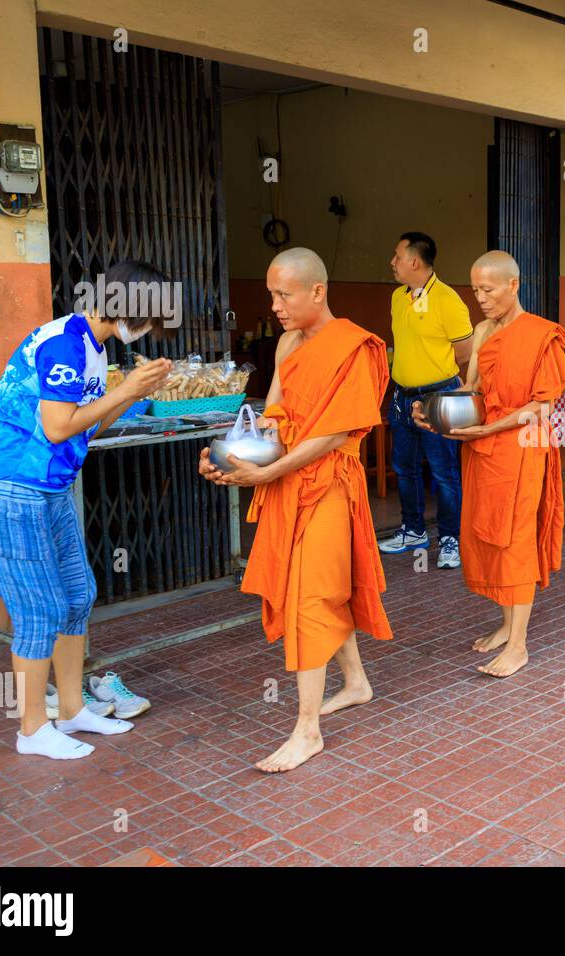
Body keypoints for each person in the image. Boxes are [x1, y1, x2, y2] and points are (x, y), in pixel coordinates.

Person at [0, 260, 173, 759]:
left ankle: (73, 708)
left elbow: (84, 426)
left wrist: (132, 393)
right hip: (11, 486)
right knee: (41, 610)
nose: (146, 330)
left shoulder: (93, 349)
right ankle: (32, 730)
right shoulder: (63, 343)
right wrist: (127, 389)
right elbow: (58, 428)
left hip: (47, 487)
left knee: (78, 595)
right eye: (146, 317)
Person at [199, 247, 392, 773]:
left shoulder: (355, 347)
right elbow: (276, 420)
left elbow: (332, 434)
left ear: (317, 291)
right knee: (314, 588)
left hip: (329, 484)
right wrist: (231, 453)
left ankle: (307, 731)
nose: (275, 305)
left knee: (311, 596)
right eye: (271, 294)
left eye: (284, 294)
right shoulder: (286, 343)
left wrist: (268, 472)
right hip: (287, 480)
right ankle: (356, 682)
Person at [413, 251, 565, 678]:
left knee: (515, 540)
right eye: (475, 290)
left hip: (522, 449)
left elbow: (541, 406)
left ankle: (519, 646)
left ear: (513, 285)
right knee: (489, 536)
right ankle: (507, 626)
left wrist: (488, 430)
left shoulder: (543, 335)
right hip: (485, 454)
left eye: (488, 290)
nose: (480, 299)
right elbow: (471, 391)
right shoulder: (484, 330)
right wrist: (435, 412)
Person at [379, 232, 473, 569]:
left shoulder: (448, 300)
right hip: (402, 395)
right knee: (404, 468)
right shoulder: (397, 297)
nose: (393, 262)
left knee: (444, 471)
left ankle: (450, 539)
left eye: (397, 255)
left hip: (439, 395)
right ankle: (413, 530)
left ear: (415, 261)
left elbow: (465, 352)